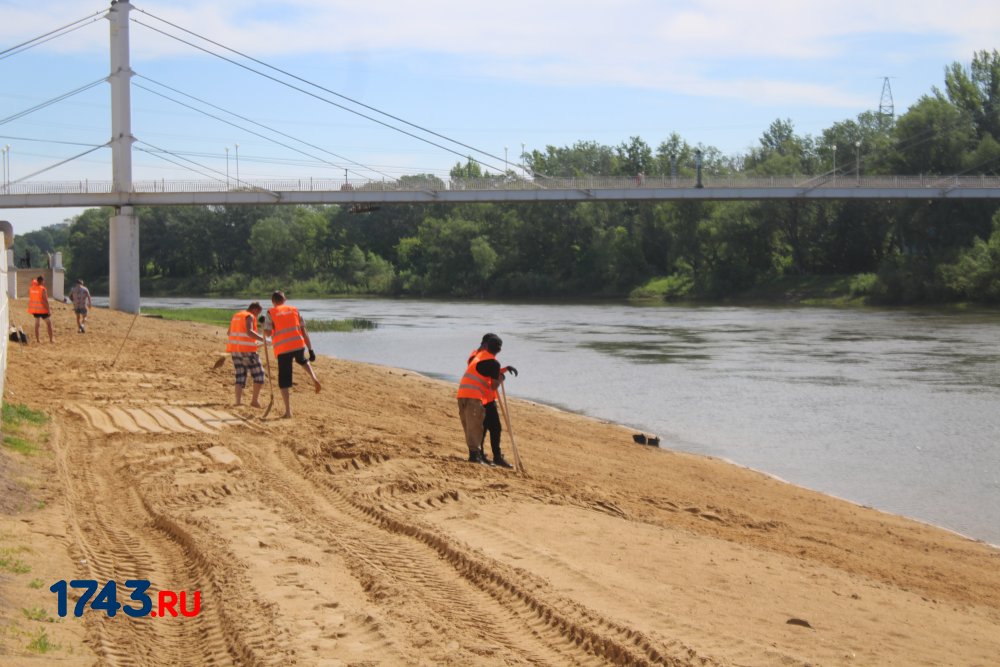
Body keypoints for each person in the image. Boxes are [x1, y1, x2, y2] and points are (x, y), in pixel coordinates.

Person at [456, 333, 518, 467]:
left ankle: (494, 456)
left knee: (494, 427)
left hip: (479, 397)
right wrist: (501, 377)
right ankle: (478, 455)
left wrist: (504, 370)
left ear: (486, 346)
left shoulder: (478, 357)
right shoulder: (479, 357)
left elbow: (487, 370)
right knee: (478, 428)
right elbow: (493, 380)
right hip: (477, 397)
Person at [264, 291, 321, 418]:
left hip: (283, 348)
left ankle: (288, 412)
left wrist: (264, 326)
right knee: (302, 360)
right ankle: (313, 377)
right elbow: (304, 331)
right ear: (285, 300)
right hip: (298, 344)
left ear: (273, 301)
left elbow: (267, 333)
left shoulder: (270, 312)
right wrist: (311, 350)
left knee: (284, 380)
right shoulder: (295, 310)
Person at [226, 302, 266, 407]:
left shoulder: (236, 316)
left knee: (240, 375)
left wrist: (251, 342)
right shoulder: (249, 316)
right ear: (255, 310)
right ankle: (254, 401)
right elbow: (249, 332)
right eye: (258, 313)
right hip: (248, 351)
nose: (257, 316)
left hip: (235, 350)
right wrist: (263, 339)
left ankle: (238, 402)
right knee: (259, 375)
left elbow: (229, 333)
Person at [27, 275, 54, 343]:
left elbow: (33, 282)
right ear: (42, 281)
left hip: (35, 310)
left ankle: (38, 340)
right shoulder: (42, 289)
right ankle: (51, 339)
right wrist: (48, 309)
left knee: (37, 324)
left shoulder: (32, 288)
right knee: (49, 324)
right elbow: (45, 300)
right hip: (42, 310)